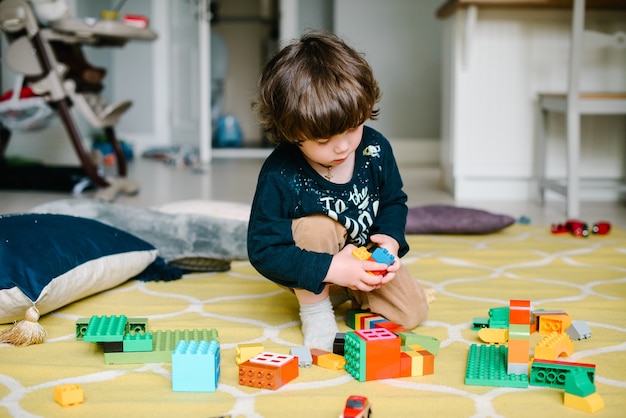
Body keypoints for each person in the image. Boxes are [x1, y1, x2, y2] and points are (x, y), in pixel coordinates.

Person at [247, 31, 431, 351]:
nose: (343, 146)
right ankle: (317, 307)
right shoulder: (281, 174)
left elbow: (393, 200)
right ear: (291, 132)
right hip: (312, 260)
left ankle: (346, 291)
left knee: (412, 312)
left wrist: (389, 238)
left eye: (352, 128)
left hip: (362, 255)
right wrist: (333, 268)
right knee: (317, 226)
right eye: (323, 141)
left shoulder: (375, 149)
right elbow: (264, 250)